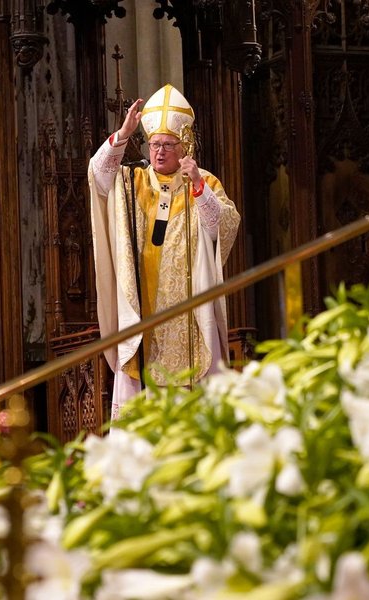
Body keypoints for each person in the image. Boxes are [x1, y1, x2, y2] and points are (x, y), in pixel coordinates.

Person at [88, 84, 240, 419]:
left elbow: (222, 226)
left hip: (189, 314)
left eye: (168, 145)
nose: (158, 152)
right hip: (142, 310)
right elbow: (98, 176)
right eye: (154, 144)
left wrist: (198, 184)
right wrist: (124, 134)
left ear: (183, 146)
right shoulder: (131, 180)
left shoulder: (205, 183)